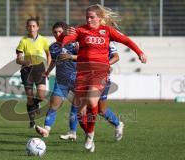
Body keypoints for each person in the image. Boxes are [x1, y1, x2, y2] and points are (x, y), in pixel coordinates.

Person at [61, 4, 147, 152]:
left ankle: (90, 136)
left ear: (99, 18)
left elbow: (126, 40)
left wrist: (139, 53)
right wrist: (64, 37)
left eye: (92, 17)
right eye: (87, 17)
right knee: (80, 114)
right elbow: (66, 40)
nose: (88, 19)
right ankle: (89, 133)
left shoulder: (107, 31)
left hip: (100, 72)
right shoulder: (81, 30)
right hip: (82, 73)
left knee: (92, 101)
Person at [35, 22, 123, 143]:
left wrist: (71, 56)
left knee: (96, 110)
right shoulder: (54, 47)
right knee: (54, 104)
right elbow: (54, 61)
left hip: (80, 79)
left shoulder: (78, 43)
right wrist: (47, 71)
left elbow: (86, 57)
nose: (57, 34)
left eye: (60, 31)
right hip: (61, 81)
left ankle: (116, 124)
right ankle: (47, 129)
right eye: (55, 32)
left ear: (67, 31)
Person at [16, 17, 51, 128]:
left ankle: (36, 104)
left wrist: (48, 69)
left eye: (33, 26)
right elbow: (18, 59)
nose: (31, 28)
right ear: (27, 27)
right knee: (30, 97)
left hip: (40, 69)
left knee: (41, 95)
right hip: (26, 70)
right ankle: (32, 122)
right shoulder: (23, 40)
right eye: (29, 26)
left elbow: (49, 55)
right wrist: (25, 61)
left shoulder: (43, 40)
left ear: (38, 27)